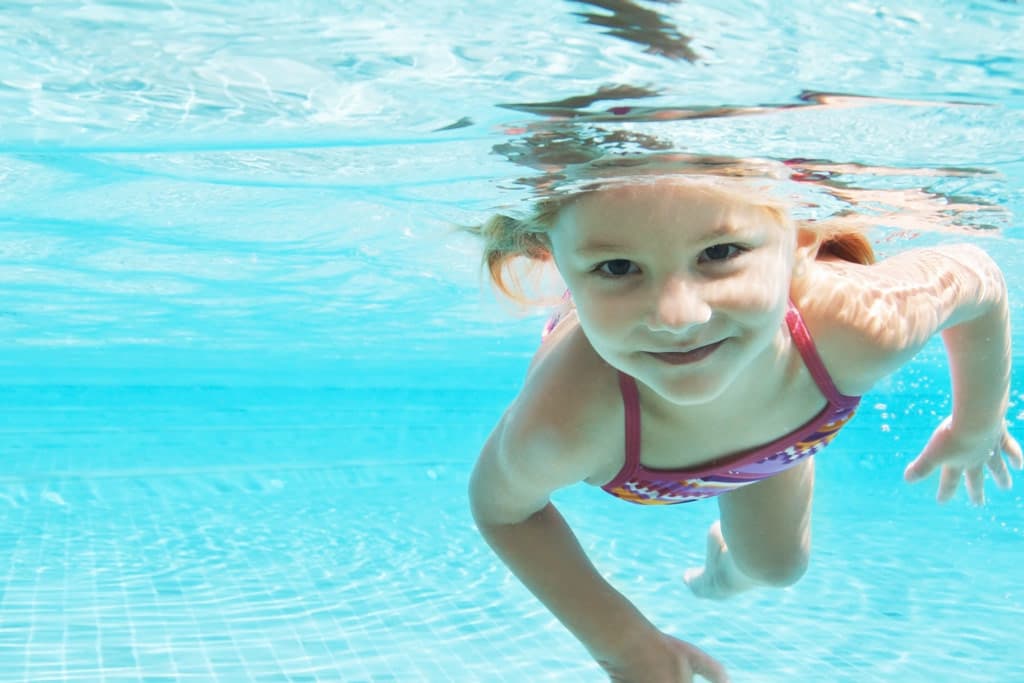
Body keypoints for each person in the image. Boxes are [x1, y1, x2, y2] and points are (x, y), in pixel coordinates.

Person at [466, 172, 1021, 683]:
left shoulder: (857, 326)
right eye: (616, 267)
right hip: (764, 424)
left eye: (719, 252)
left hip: (784, 432)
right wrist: (625, 647)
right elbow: (502, 510)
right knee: (779, 565)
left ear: (802, 237)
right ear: (558, 263)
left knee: (776, 569)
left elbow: (979, 277)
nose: (677, 317)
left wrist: (977, 423)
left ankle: (724, 575)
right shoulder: (565, 421)